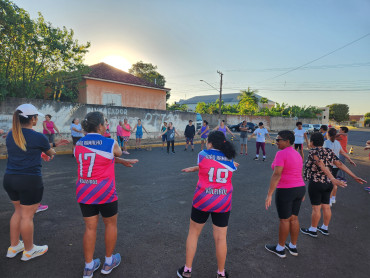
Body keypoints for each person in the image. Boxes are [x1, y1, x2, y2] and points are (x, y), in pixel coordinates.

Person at [75, 111, 138, 278]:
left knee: (89, 228)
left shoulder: (79, 144)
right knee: (110, 225)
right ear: (100, 125)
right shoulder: (110, 143)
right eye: (105, 123)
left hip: (84, 191)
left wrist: (121, 161)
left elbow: (95, 158)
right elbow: (113, 154)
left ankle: (89, 266)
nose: (106, 126)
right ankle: (108, 262)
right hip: (105, 192)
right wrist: (122, 160)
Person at [3, 104, 67, 261]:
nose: (37, 119)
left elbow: (27, 148)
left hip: (10, 178)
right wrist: (52, 149)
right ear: (32, 119)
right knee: (27, 216)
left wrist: (50, 146)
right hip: (29, 181)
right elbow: (50, 154)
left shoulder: (12, 135)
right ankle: (29, 250)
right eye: (36, 117)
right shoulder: (39, 137)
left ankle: (13, 247)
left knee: (18, 212)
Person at [177, 131, 238, 278]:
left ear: (210, 142)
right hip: (222, 202)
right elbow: (223, 168)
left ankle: (187, 270)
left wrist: (194, 168)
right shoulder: (229, 158)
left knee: (193, 233)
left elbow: (206, 165)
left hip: (202, 200)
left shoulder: (203, 154)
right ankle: (221, 273)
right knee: (221, 238)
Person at [300, 132, 366, 238]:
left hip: (316, 183)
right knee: (326, 206)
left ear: (312, 142)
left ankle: (313, 230)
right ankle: (324, 228)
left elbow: (320, 164)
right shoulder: (329, 151)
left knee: (316, 208)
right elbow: (339, 164)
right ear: (322, 141)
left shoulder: (313, 151)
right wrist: (354, 176)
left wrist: (333, 178)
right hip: (328, 184)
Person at [265, 130, 306, 258]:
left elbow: (277, 174)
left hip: (287, 189)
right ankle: (293, 247)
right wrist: (301, 191)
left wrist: (269, 194)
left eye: (278, 140)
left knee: (284, 220)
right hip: (299, 188)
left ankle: (280, 248)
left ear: (287, 141)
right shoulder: (297, 154)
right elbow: (298, 172)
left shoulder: (281, 153)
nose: (276, 142)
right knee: (294, 218)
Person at [324, 128, 356, 206]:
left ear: (328, 134)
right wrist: (349, 159)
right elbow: (343, 152)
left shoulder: (326, 142)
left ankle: (329, 200)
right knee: (334, 182)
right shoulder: (338, 143)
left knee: (330, 184)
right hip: (336, 166)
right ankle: (333, 198)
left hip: (329, 166)